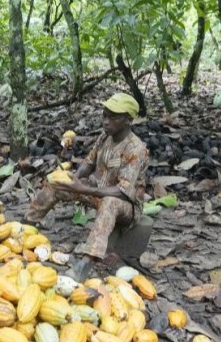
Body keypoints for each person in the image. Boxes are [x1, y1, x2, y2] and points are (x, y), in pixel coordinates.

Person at [24, 93, 149, 281]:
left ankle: (86, 262)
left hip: (126, 206)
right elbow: (88, 163)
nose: (106, 122)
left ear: (128, 120)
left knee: (109, 202)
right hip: (97, 190)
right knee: (57, 183)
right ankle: (25, 226)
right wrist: (76, 177)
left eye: (113, 117)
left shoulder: (136, 149)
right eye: (104, 116)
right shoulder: (104, 137)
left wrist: (83, 189)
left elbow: (123, 191)